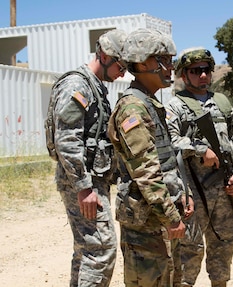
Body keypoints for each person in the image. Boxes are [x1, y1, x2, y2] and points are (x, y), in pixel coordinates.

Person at [107, 28, 191, 287]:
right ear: (142, 63)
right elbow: (146, 172)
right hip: (145, 225)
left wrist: (181, 196)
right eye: (162, 60)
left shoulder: (150, 104)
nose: (170, 67)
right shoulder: (133, 108)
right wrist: (171, 216)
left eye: (170, 60)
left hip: (160, 218)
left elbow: (166, 162)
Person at [47, 29, 128, 287]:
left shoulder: (95, 86)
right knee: (101, 250)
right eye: (120, 65)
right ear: (103, 55)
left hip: (92, 181)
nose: (123, 72)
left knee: (88, 250)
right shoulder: (78, 85)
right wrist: (84, 187)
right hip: (82, 183)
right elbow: (66, 139)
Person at [165, 47, 233, 287]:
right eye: (195, 71)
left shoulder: (222, 103)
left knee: (222, 252)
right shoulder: (176, 106)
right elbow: (170, 142)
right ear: (184, 75)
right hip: (193, 192)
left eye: (206, 70)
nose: (202, 75)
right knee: (188, 252)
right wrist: (200, 149)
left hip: (224, 191)